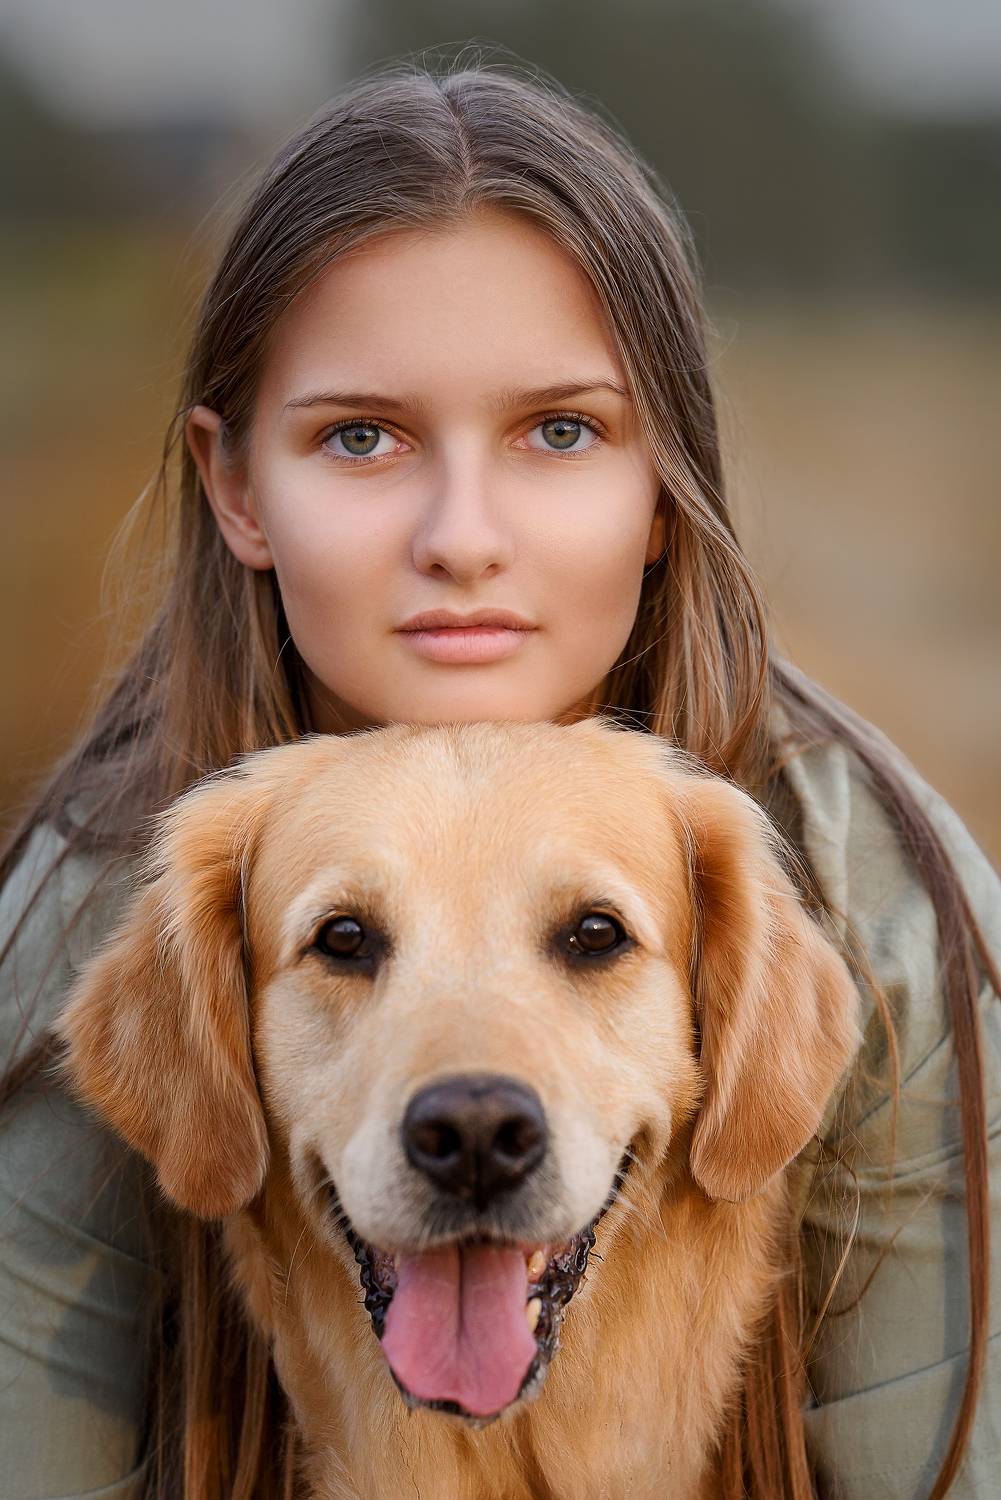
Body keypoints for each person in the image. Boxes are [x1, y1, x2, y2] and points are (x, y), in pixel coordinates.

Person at [1, 57, 998, 1500]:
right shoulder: (94, 907)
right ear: (234, 489)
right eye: (362, 436)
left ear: (663, 480)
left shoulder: (887, 909)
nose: (462, 537)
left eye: (559, 430)